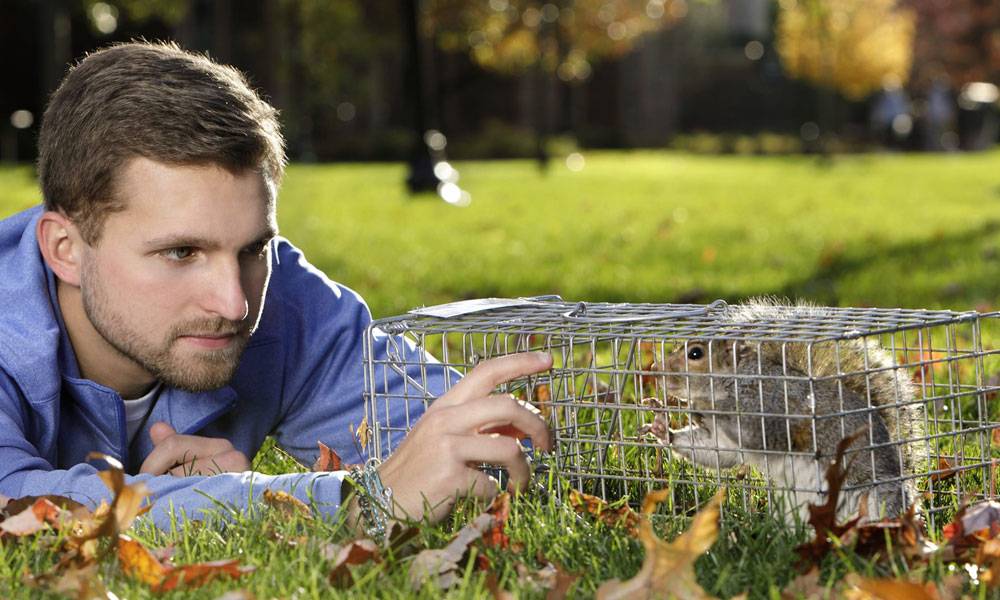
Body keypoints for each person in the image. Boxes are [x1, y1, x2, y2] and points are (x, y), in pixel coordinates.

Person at [0, 41, 551, 531]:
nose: (234, 302)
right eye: (181, 252)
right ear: (64, 250)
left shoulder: (286, 301)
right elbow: (12, 502)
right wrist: (346, 502)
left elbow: (493, 454)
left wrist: (204, 502)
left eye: (251, 249)